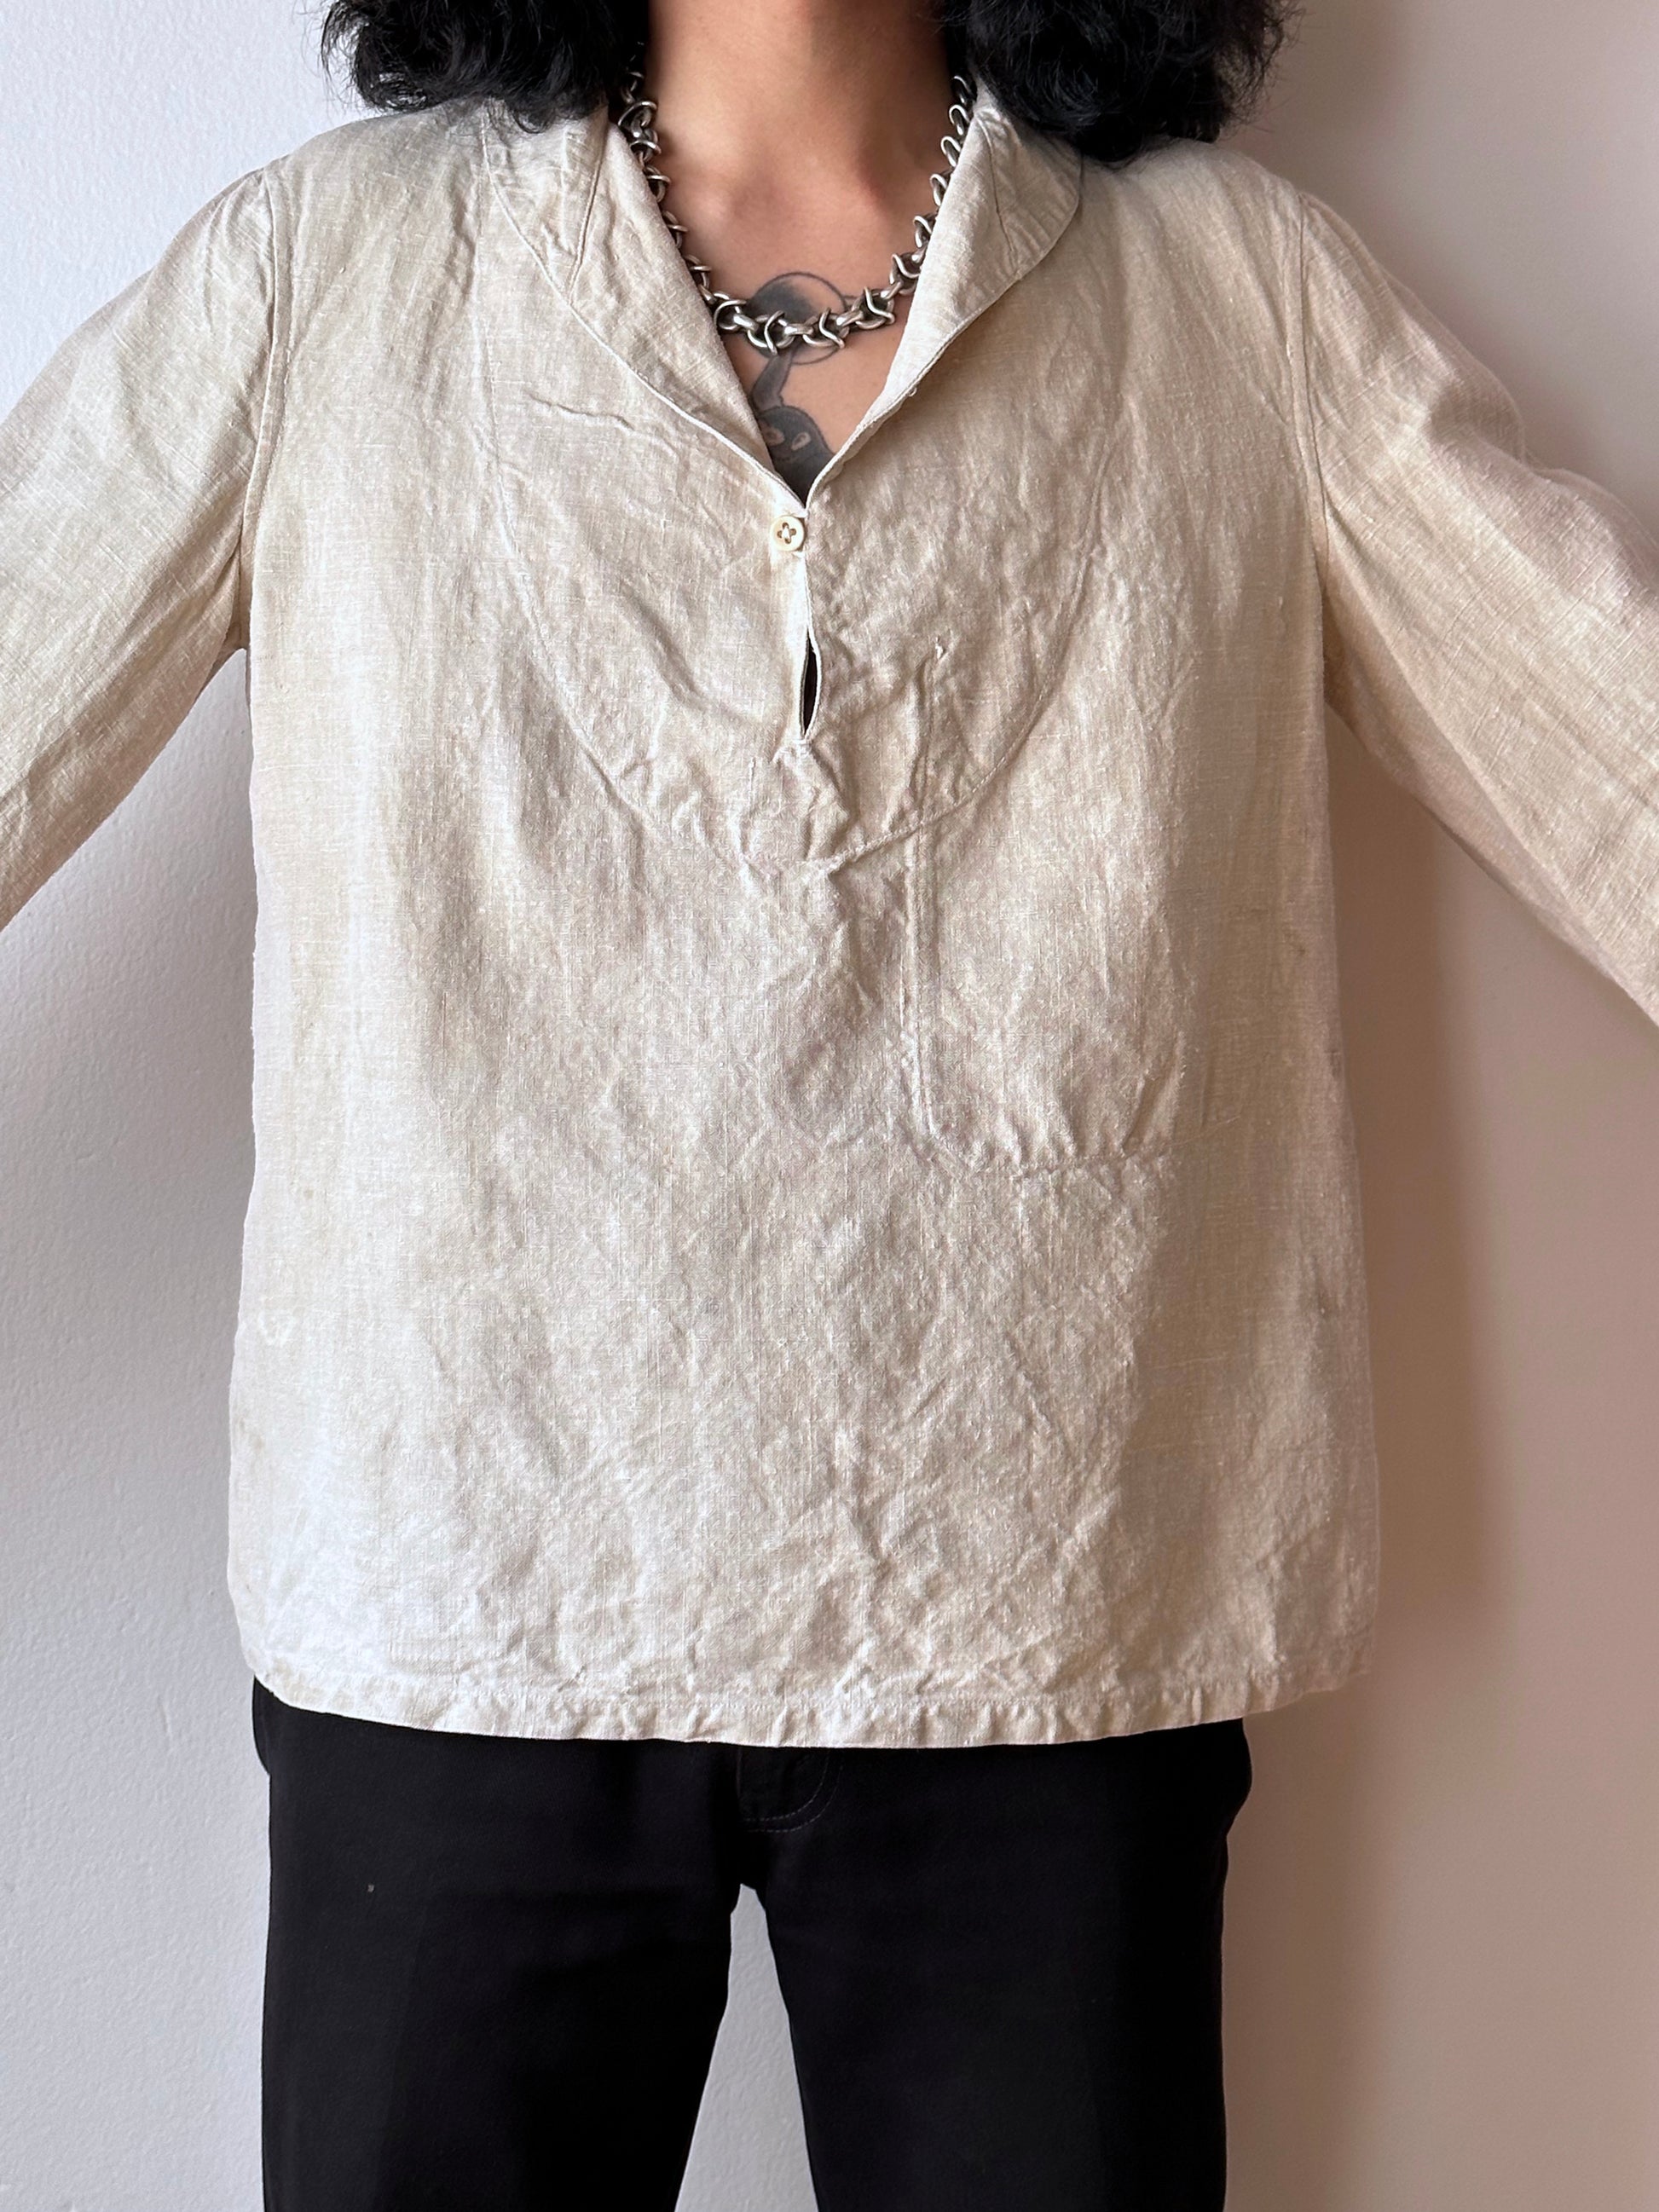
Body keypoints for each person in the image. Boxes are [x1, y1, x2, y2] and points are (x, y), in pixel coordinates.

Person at [3, 0, 1656, 2203]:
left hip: (1049, 1614)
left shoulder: (1231, 292)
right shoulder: (332, 275)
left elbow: (1614, 765)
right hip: (467, 1593)